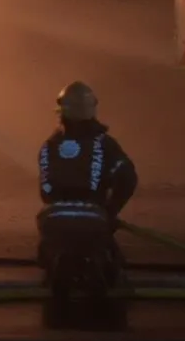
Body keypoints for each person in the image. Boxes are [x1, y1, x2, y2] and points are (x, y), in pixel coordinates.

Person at [36, 81, 138, 281]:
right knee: (113, 267)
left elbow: (45, 192)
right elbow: (128, 179)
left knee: (48, 256)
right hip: (93, 217)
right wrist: (110, 211)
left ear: (60, 112)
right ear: (92, 110)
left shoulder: (49, 145)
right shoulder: (104, 144)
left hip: (53, 218)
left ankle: (51, 273)